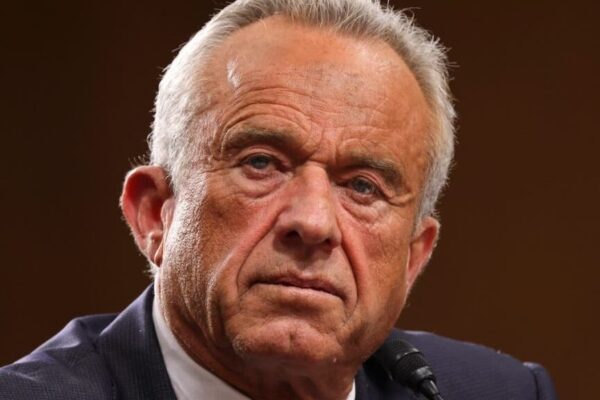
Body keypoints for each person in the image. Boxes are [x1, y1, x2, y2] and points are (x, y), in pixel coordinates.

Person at [0, 0, 558, 399]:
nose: (313, 222)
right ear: (154, 213)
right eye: (261, 163)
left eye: (363, 186)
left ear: (414, 256)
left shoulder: (499, 391)